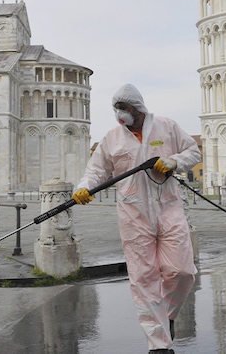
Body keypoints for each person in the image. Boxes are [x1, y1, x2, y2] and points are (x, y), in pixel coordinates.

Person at [72, 84, 201, 354]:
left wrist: (174, 162)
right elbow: (96, 171)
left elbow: (193, 152)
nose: (120, 114)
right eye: (116, 109)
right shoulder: (112, 138)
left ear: (137, 108)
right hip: (133, 214)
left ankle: (167, 316)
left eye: (124, 108)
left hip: (168, 207)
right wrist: (83, 188)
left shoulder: (166, 127)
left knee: (183, 271)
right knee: (144, 278)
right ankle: (159, 343)